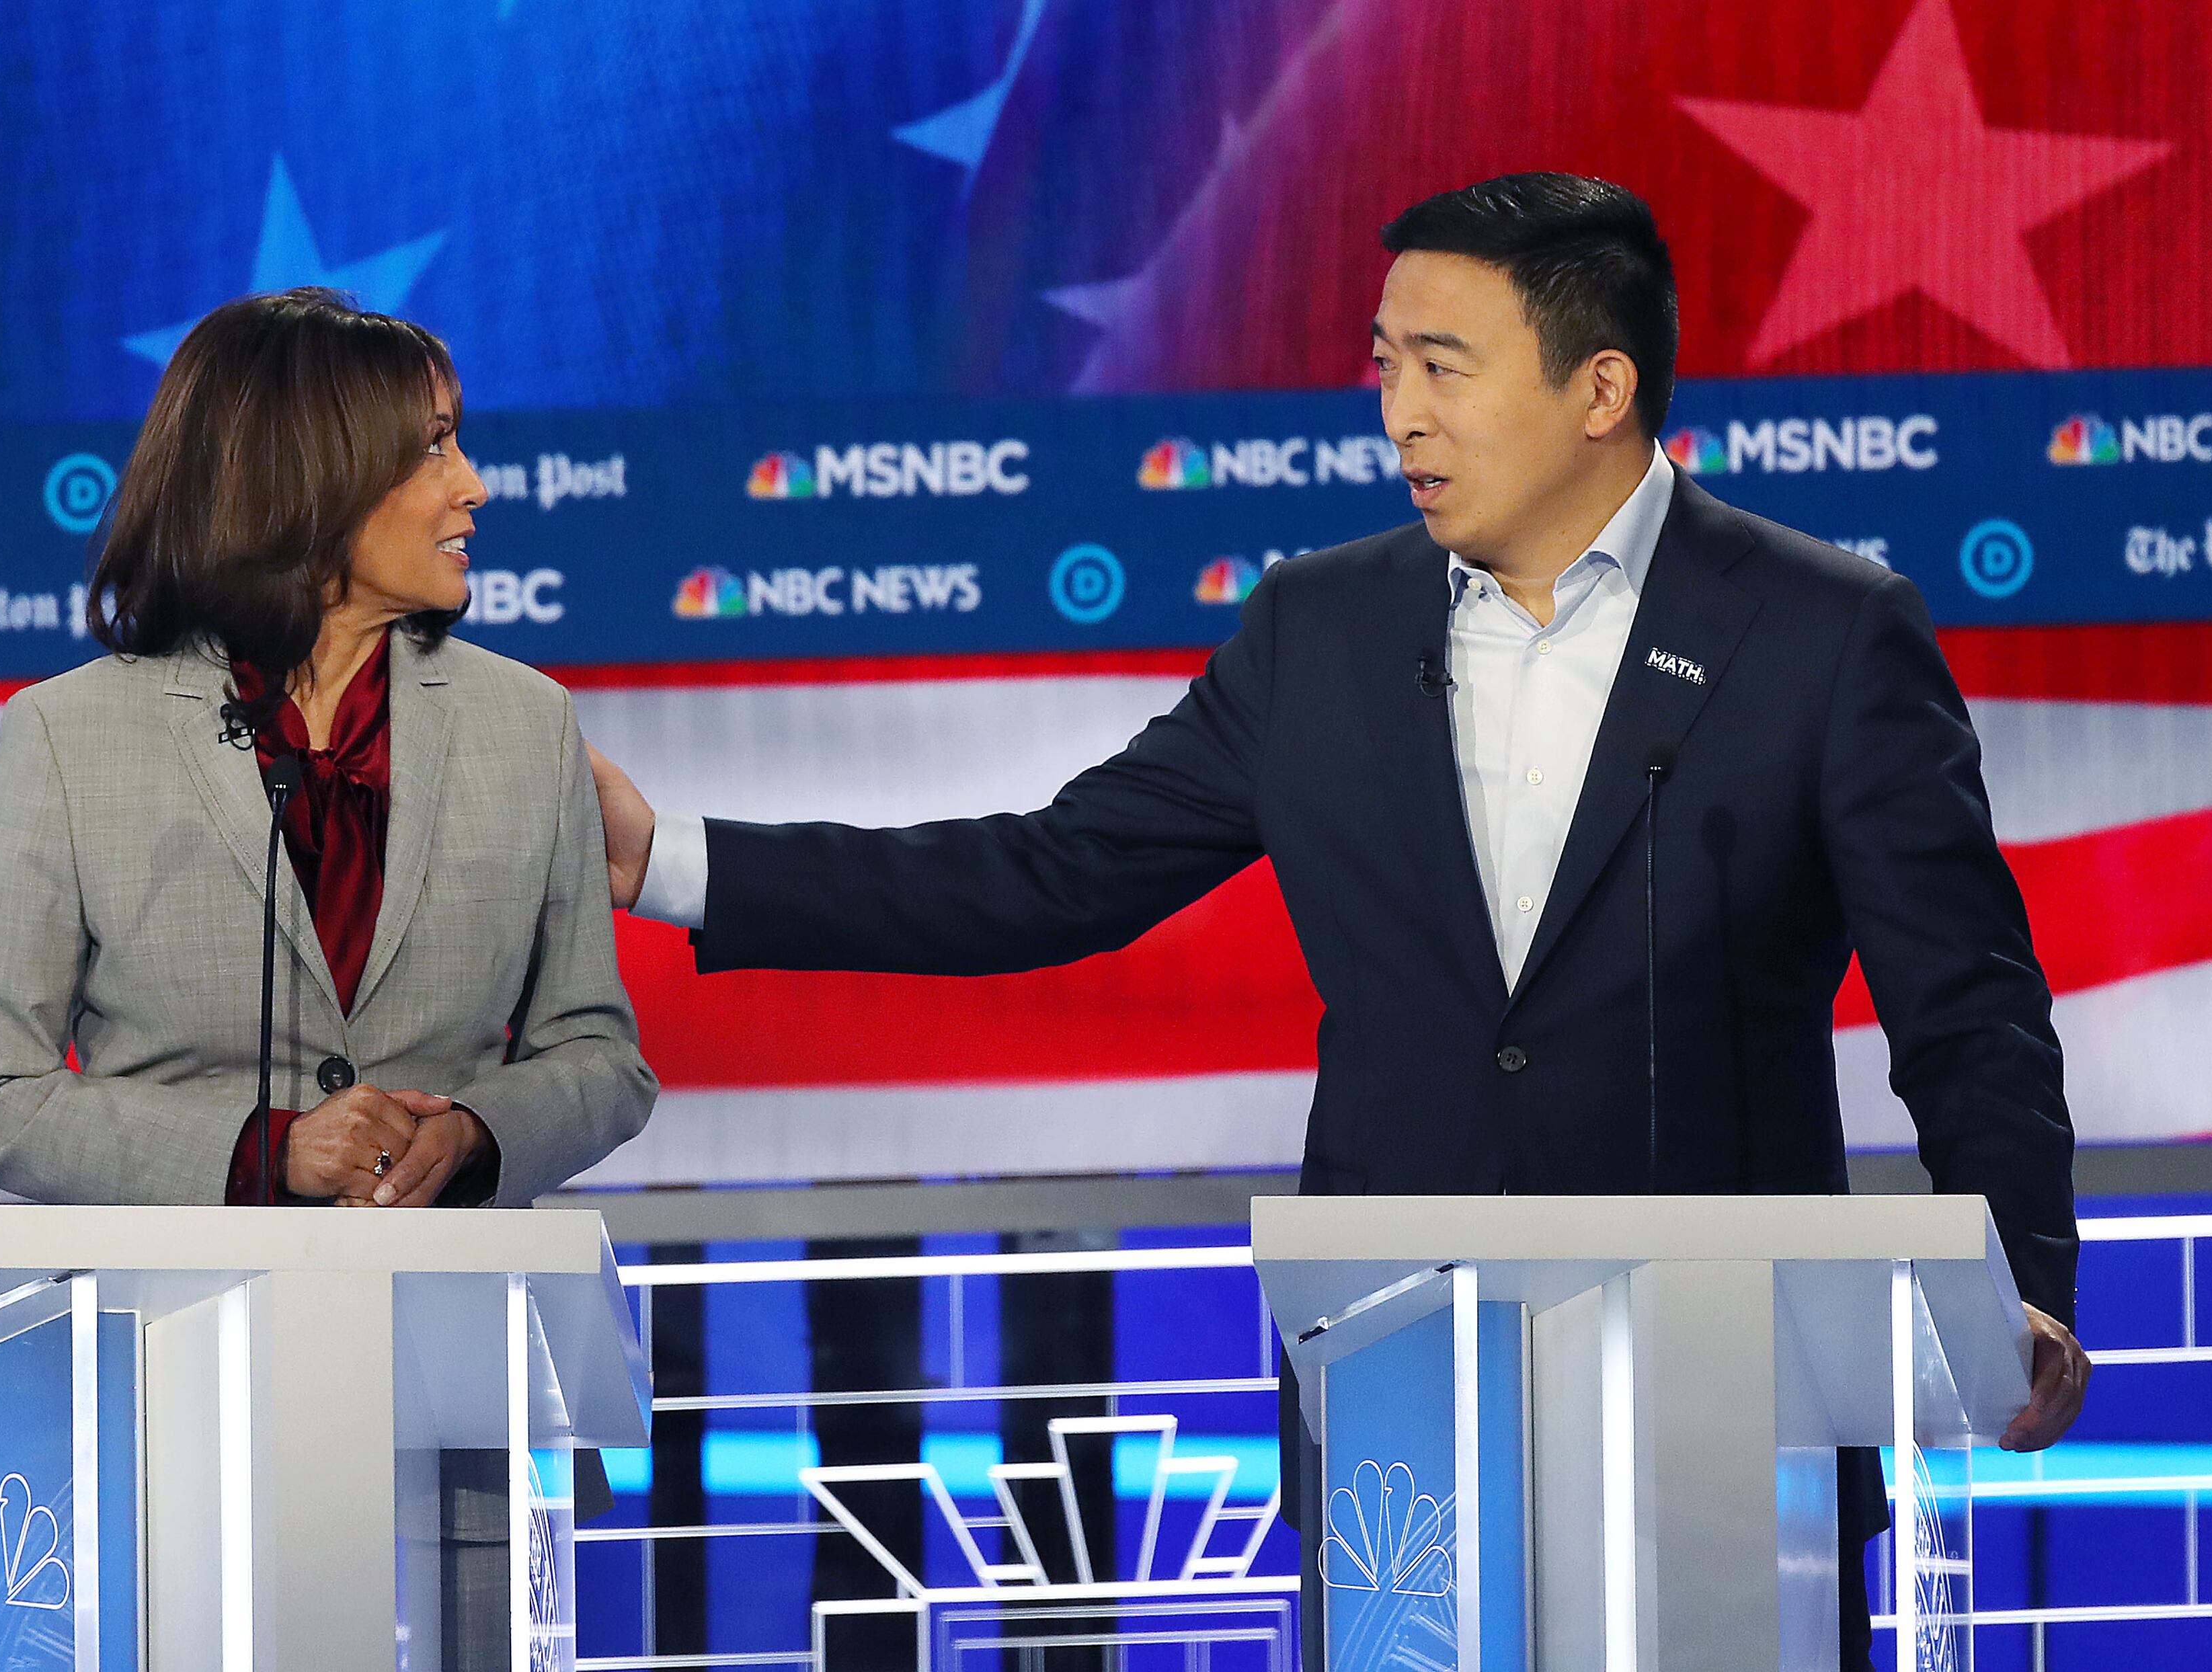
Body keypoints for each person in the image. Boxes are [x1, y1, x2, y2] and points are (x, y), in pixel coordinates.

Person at [588, 175, 2091, 1658]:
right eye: (1386, 366)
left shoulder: (1823, 631)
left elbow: (1965, 1005)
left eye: (1444, 366)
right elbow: (1054, 870)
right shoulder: (1321, 628)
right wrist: (677, 861)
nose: (1401, 415)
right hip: (1397, 1385)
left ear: (1600, 389)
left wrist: (2022, 1286)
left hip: (1732, 1397)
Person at [0, 287, 655, 1209]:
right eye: (433, 446)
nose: (474, 485)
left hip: (445, 1287)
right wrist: (263, 1153)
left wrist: (478, 1135)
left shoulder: (528, 722)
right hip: (193, 1292)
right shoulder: (70, 735)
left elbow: (600, 1058)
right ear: (308, 475)